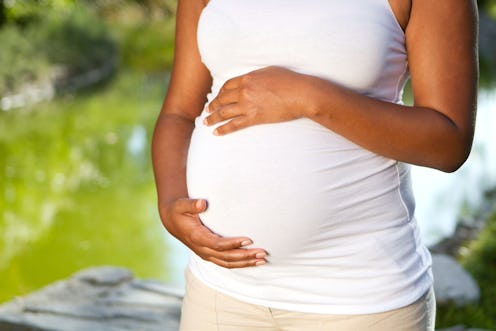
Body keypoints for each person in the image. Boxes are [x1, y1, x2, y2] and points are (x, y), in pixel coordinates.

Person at [152, 0, 478, 330]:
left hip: (361, 301)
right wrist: (170, 202)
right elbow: (179, 112)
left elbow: (448, 143)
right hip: (219, 292)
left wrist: (308, 97)